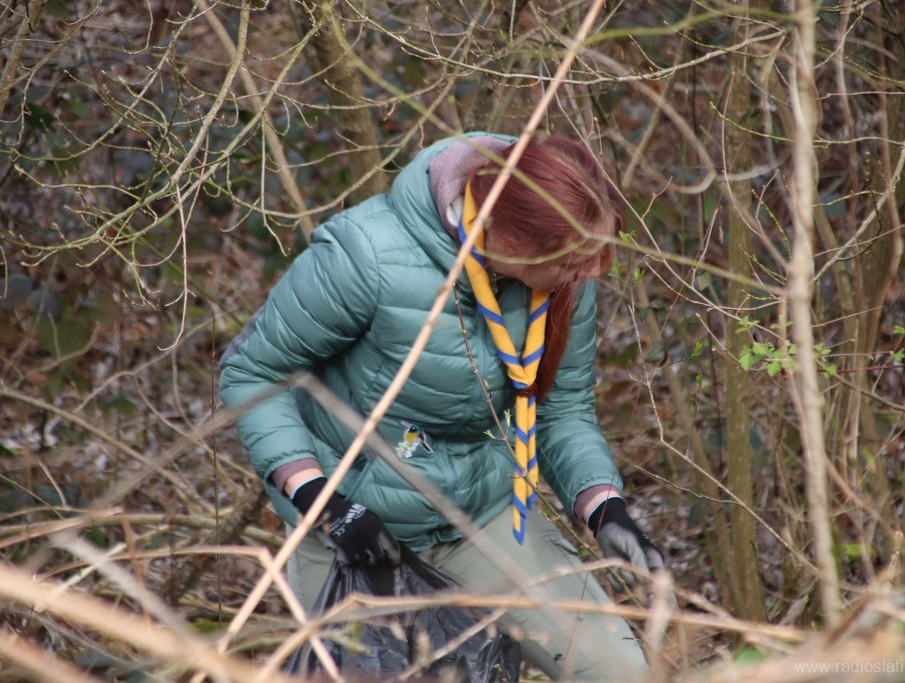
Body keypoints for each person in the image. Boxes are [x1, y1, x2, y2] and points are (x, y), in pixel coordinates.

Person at [219, 132, 664, 681]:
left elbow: (560, 406)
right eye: (574, 261)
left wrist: (603, 506)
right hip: (354, 537)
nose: (590, 272)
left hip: (482, 517)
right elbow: (254, 373)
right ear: (509, 240)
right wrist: (323, 503)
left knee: (621, 673)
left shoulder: (564, 275)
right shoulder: (366, 256)